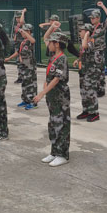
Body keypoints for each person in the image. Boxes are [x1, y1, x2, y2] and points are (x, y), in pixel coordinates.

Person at [33, 30, 71, 167]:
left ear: (57, 44)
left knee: (61, 125)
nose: (48, 44)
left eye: (51, 42)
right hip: (52, 96)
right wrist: (51, 28)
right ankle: (54, 152)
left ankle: (62, 155)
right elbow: (44, 38)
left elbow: (56, 79)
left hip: (60, 96)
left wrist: (42, 93)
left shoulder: (62, 59)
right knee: (53, 125)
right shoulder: (53, 56)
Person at [84, 1, 107, 122]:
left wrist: (102, 6)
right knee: (94, 70)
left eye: (93, 18)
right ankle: (97, 87)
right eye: (91, 18)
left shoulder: (102, 26)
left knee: (99, 70)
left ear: (98, 18)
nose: (91, 20)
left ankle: (101, 89)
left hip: (99, 51)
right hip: (92, 51)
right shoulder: (90, 28)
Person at [73, 23, 99, 121]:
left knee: (90, 92)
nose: (80, 32)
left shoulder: (91, 42)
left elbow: (85, 46)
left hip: (90, 72)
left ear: (87, 32)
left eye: (81, 31)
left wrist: (87, 35)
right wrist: (78, 60)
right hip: (83, 71)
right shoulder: (83, 42)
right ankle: (86, 110)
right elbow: (83, 54)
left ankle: (94, 112)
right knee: (83, 92)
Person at [12, 10, 25, 84]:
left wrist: (23, 12)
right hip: (17, 44)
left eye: (19, 17)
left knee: (21, 61)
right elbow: (16, 33)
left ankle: (22, 77)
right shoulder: (17, 25)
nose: (17, 19)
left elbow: (22, 21)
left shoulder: (23, 25)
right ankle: (20, 76)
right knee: (18, 62)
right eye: (16, 18)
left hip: (21, 45)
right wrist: (15, 37)